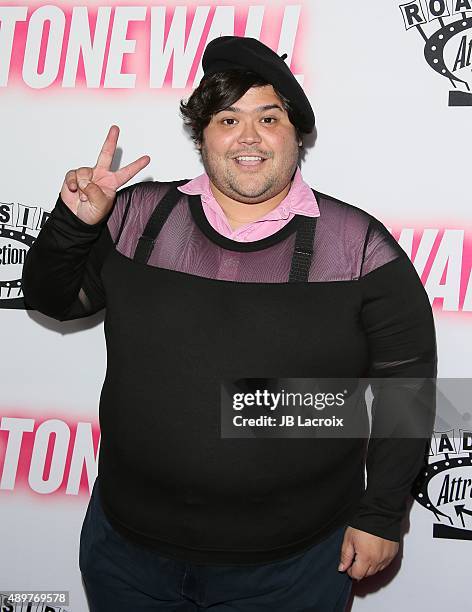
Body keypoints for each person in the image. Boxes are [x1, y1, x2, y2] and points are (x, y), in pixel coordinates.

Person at [21, 35, 437, 611]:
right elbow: (54, 301)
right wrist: (75, 225)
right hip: (127, 553)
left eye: (268, 117)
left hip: (293, 568)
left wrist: (383, 515)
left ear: (295, 134)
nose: (248, 137)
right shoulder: (139, 217)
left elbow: (407, 389)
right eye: (226, 118)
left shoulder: (358, 248)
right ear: (202, 136)